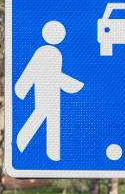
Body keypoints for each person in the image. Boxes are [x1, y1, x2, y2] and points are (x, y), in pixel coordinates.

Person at [14, 21, 84, 161]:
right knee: (42, 115)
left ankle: (53, 153)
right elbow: (32, 71)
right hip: (45, 90)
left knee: (50, 118)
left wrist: (69, 84)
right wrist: (21, 88)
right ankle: (22, 141)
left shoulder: (55, 53)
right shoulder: (45, 52)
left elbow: (54, 74)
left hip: (53, 91)